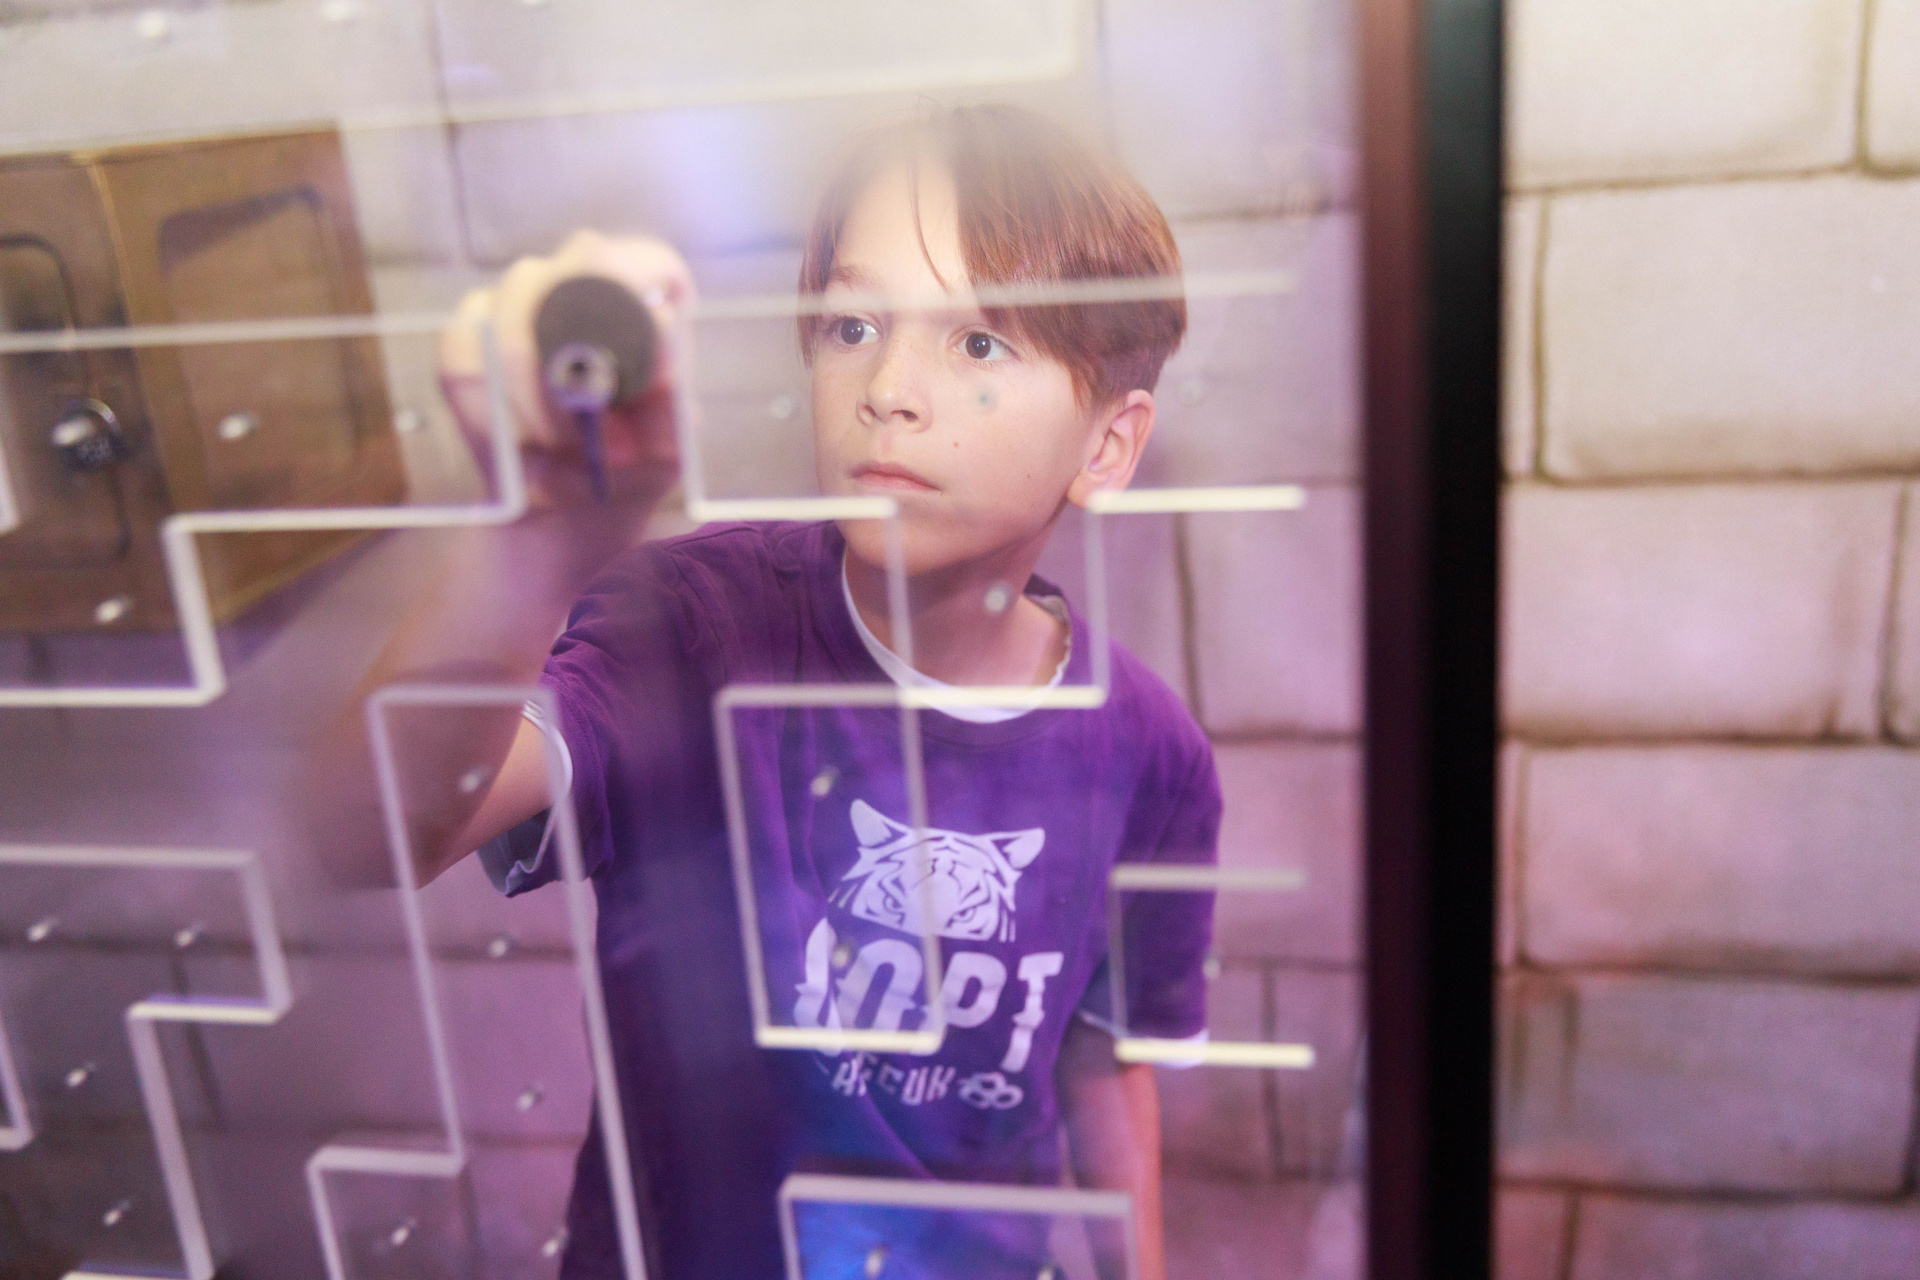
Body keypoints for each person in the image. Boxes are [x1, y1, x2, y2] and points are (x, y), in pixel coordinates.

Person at [311, 104, 1220, 1280]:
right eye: (852, 324)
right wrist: (538, 537)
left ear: (1108, 445)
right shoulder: (690, 626)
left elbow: (1102, 1060)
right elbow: (366, 833)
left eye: (979, 343)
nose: (888, 387)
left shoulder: (1148, 752)